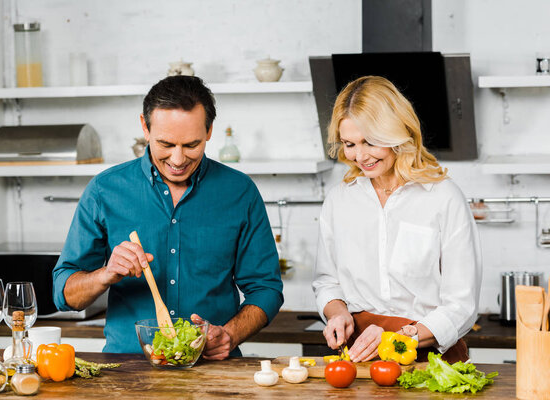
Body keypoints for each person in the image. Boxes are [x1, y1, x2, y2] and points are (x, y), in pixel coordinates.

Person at [53, 75, 284, 358]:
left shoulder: (240, 192)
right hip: (128, 371)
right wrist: (105, 274)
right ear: (145, 127)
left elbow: (266, 288)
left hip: (214, 372)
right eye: (165, 144)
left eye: (191, 145)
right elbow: (64, 295)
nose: (177, 159)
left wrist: (231, 334)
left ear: (210, 130)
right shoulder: (104, 190)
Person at [312, 76, 482, 363]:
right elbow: (327, 281)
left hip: (427, 356)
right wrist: (337, 312)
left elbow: (461, 304)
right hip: (360, 356)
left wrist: (401, 338)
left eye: (370, 142)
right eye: (349, 144)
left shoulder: (442, 197)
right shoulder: (339, 200)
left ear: (396, 134)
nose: (360, 156)